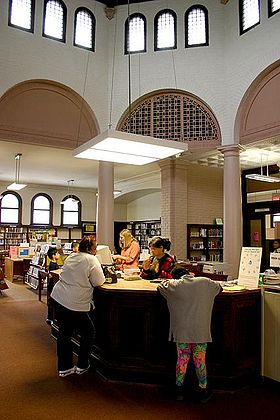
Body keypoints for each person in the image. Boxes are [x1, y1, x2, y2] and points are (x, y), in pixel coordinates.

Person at [157, 265, 222, 403]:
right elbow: (219, 288)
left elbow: (160, 287)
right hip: (200, 330)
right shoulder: (205, 282)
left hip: (182, 331)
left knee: (182, 358)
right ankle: (203, 389)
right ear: (190, 273)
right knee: (200, 359)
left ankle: (179, 390)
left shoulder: (173, 285)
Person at [50, 236, 105, 377]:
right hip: (75, 302)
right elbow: (99, 281)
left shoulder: (72, 256)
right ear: (89, 248)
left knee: (64, 333)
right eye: (95, 246)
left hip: (59, 297)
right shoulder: (92, 260)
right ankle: (82, 364)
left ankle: (64, 367)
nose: (96, 249)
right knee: (89, 332)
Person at [46, 247, 60, 326]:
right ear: (53, 255)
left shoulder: (52, 264)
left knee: (51, 302)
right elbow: (52, 276)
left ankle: (50, 317)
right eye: (57, 253)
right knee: (52, 302)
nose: (59, 255)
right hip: (53, 286)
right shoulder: (53, 265)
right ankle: (50, 318)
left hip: (52, 285)